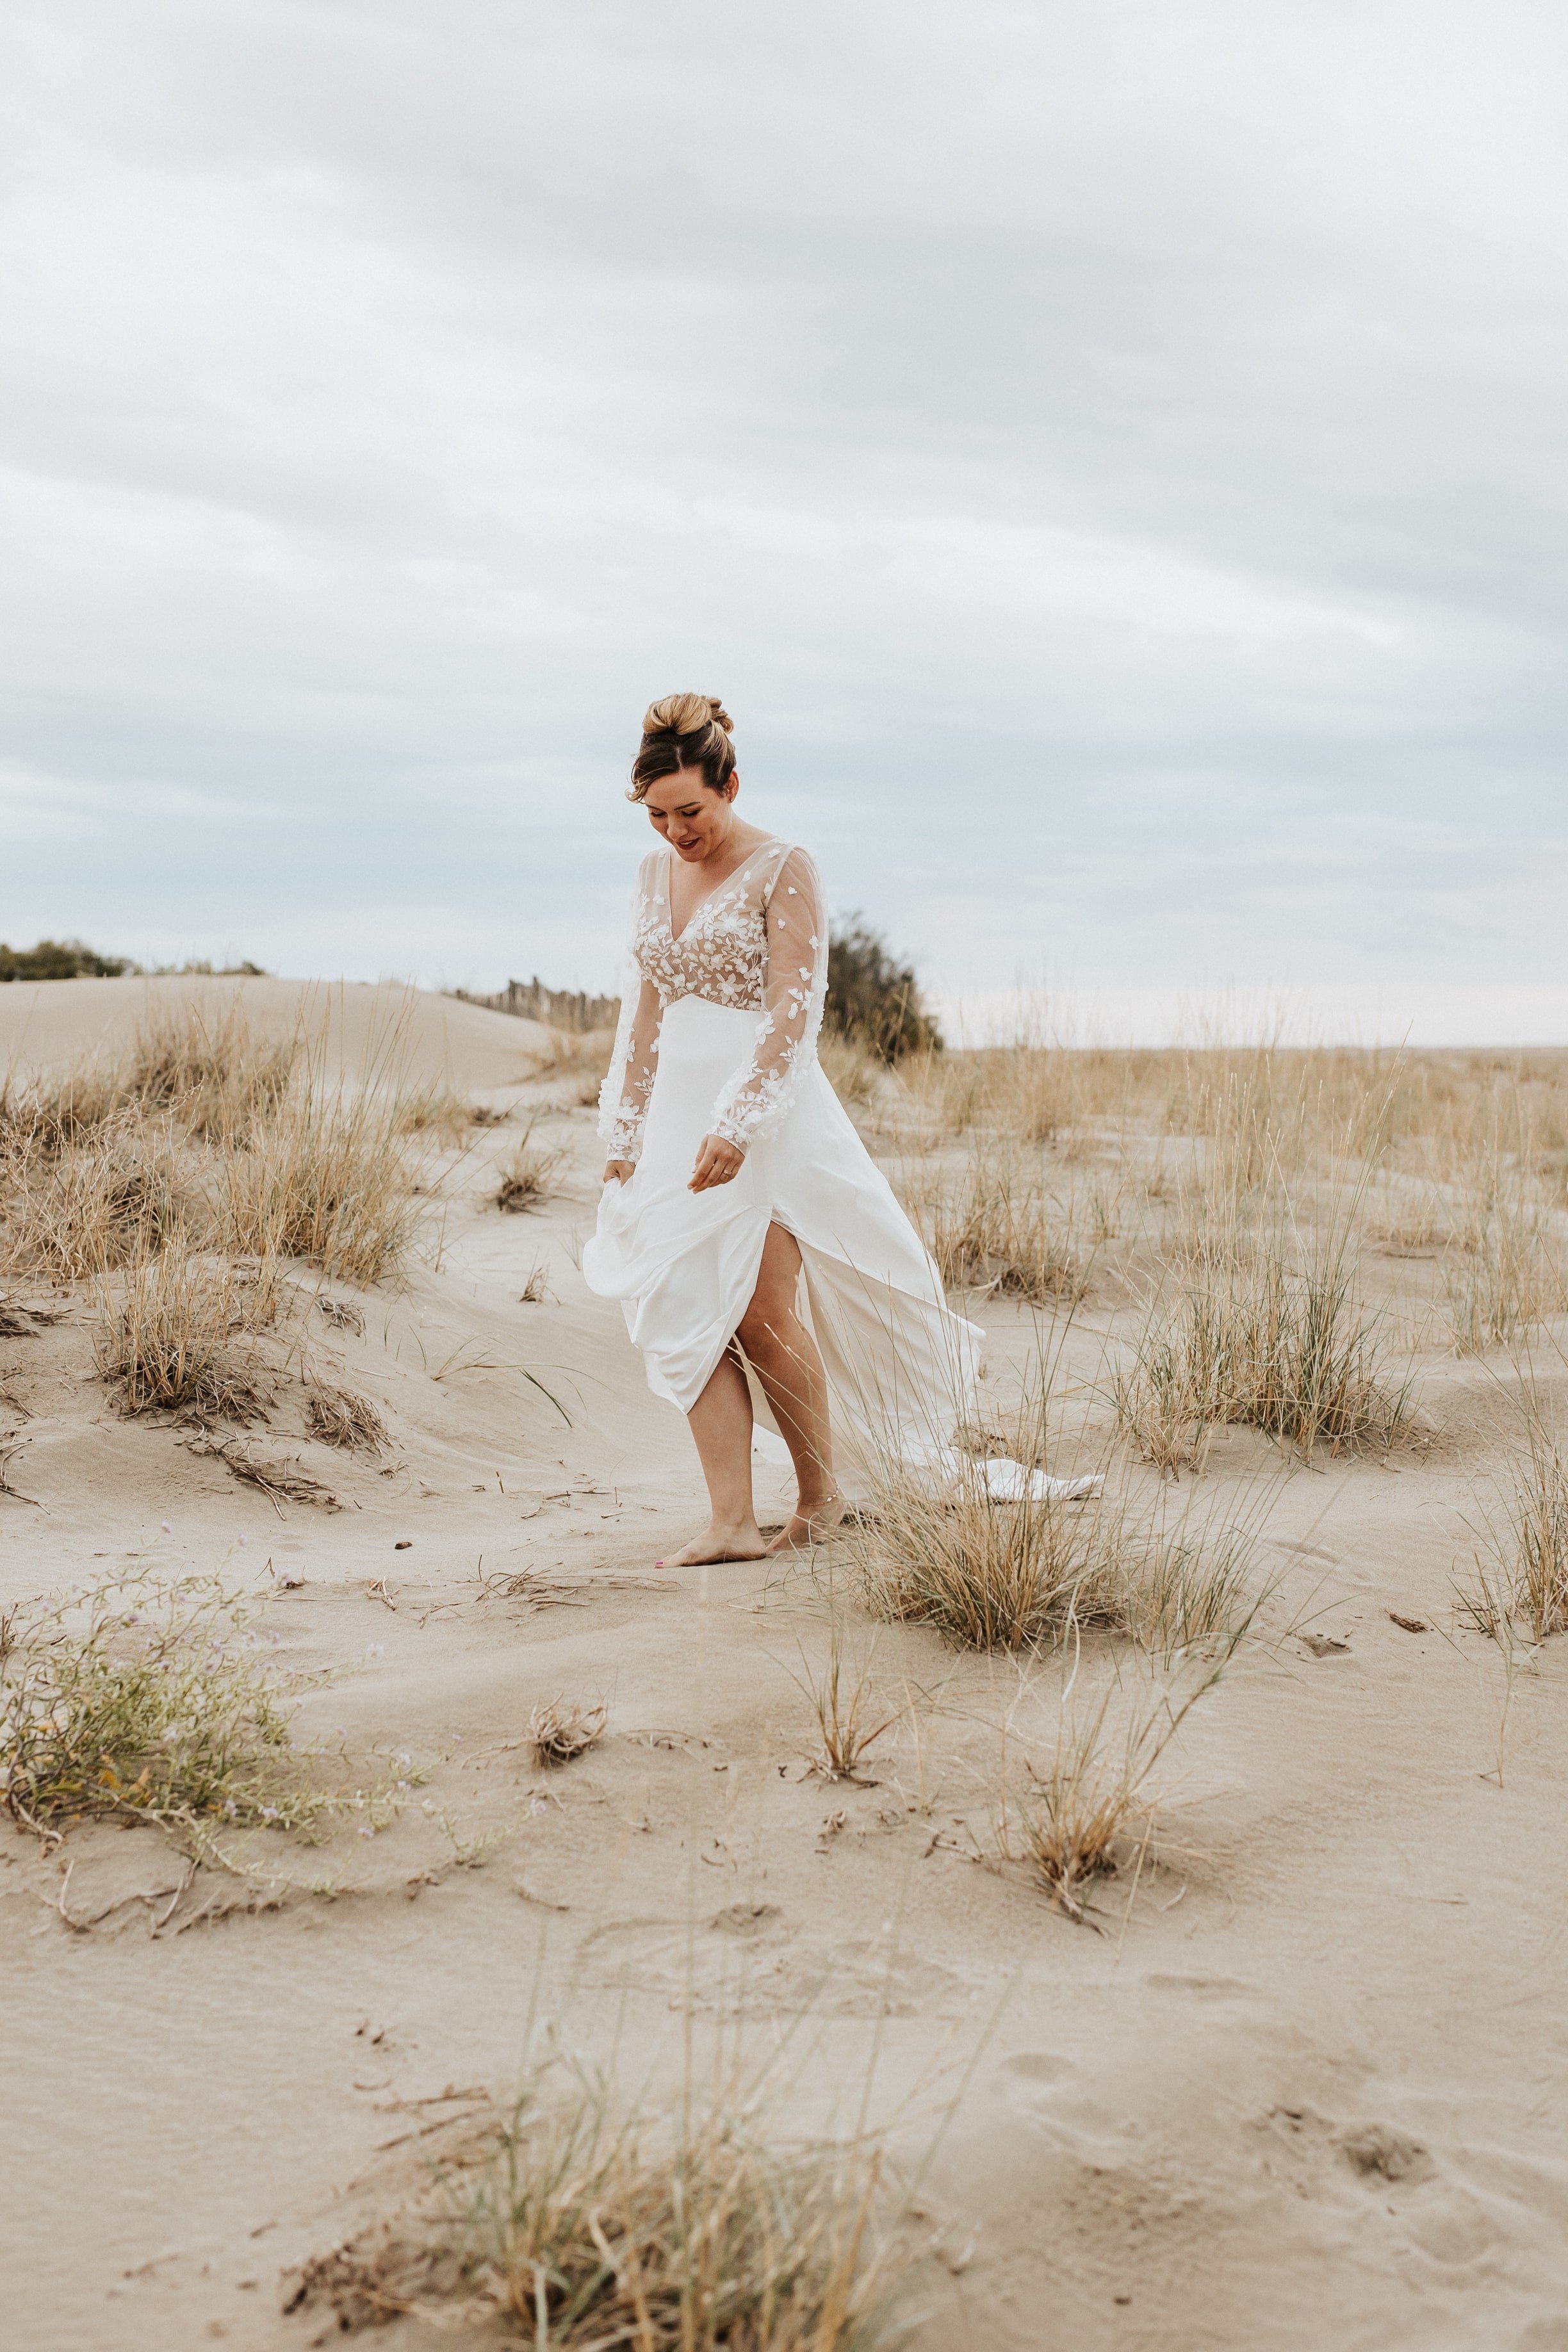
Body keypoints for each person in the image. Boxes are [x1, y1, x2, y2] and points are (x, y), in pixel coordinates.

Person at [581, 692, 990, 1568]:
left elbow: (791, 1015)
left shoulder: (783, 864)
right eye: (656, 816)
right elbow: (642, 1010)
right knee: (685, 1305)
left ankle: (822, 1498)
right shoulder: (653, 877)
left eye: (690, 811)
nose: (674, 833)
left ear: (730, 784)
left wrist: (739, 1123)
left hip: (766, 1115)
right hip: (673, 1121)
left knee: (762, 1314)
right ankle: (731, 1520)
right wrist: (625, 1125)